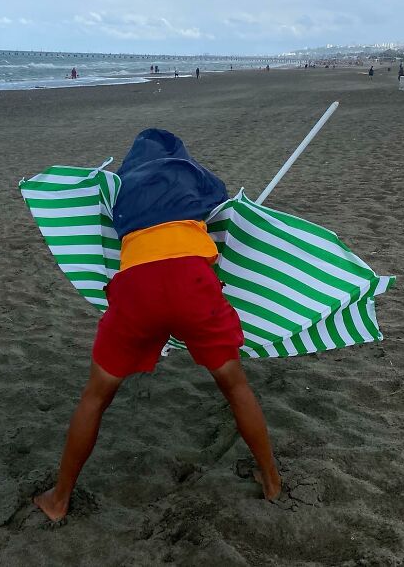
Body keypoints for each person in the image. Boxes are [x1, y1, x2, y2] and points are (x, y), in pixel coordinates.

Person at [33, 129, 281, 522]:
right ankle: (271, 481)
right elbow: (221, 201)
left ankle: (59, 499)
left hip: (137, 289)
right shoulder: (194, 176)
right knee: (235, 386)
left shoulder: (122, 189)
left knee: (95, 397)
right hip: (192, 284)